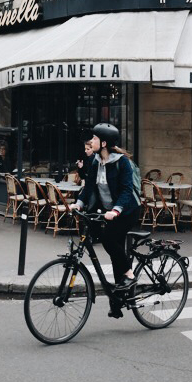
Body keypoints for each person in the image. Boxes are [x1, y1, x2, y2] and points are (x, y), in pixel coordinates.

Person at [74, 123, 141, 305]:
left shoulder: (121, 162)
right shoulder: (96, 161)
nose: (91, 141)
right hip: (109, 212)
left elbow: (127, 190)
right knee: (114, 252)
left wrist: (115, 210)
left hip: (128, 211)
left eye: (95, 138)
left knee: (109, 240)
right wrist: (79, 204)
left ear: (103, 143)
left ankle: (129, 274)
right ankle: (119, 300)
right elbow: (89, 187)